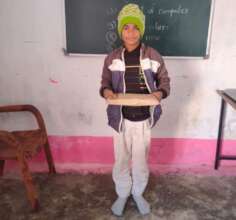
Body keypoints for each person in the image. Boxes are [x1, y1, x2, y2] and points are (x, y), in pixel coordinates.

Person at [100, 3, 170, 216]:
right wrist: (107, 92)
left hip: (143, 120)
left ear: (142, 30)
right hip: (119, 120)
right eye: (126, 27)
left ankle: (138, 192)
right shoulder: (112, 58)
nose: (131, 32)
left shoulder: (153, 55)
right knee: (121, 159)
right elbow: (104, 83)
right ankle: (122, 193)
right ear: (120, 31)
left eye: (135, 27)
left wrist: (159, 94)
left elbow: (164, 82)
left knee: (140, 161)